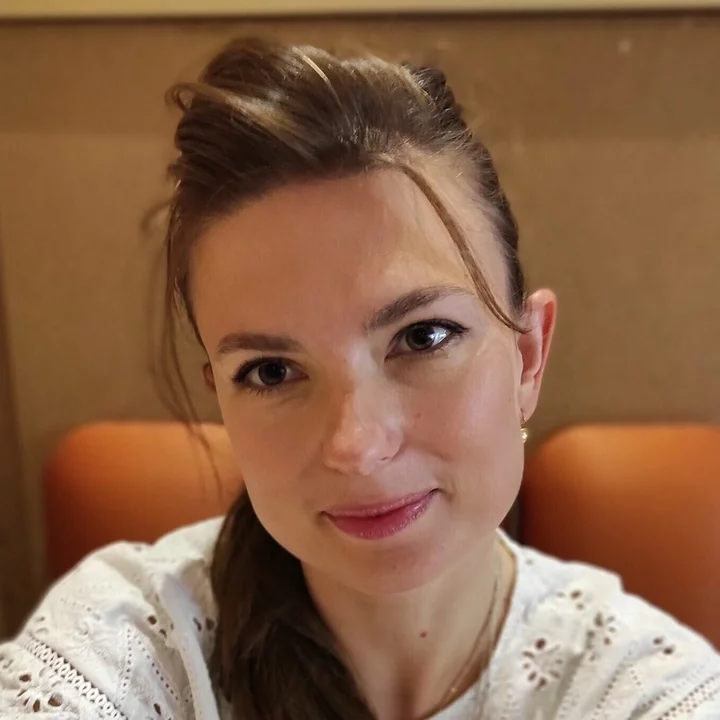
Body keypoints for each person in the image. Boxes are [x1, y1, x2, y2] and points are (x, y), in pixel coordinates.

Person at [1, 37, 718, 720]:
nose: (357, 445)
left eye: (423, 336)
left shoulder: (643, 686)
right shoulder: (126, 644)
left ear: (528, 357)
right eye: (272, 371)